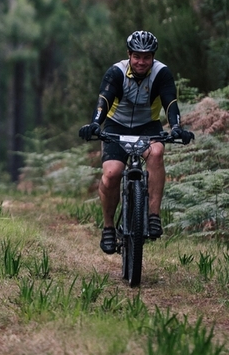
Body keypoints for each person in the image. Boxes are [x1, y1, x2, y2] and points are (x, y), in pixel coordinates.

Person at [79, 30, 194, 254]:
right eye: (137, 56)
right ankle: (109, 227)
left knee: (157, 153)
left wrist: (176, 127)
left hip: (147, 126)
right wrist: (95, 124)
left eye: (146, 57)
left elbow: (171, 103)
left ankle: (153, 216)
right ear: (129, 55)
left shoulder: (161, 73)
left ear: (153, 57)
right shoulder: (116, 72)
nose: (141, 62)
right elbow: (104, 100)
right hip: (116, 126)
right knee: (111, 174)